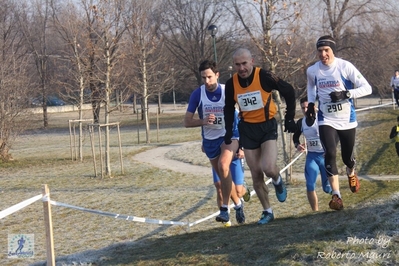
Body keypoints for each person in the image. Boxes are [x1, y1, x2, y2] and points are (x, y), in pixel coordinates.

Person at [224, 48, 297, 225]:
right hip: (247, 130)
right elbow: (227, 108)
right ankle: (268, 211)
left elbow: (289, 91)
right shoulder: (231, 84)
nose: (241, 68)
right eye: (237, 65)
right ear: (234, 65)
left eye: (244, 63)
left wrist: (289, 118)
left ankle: (278, 180)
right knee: (256, 173)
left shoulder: (264, 76)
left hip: (267, 126)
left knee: (268, 168)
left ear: (252, 61)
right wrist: (228, 131)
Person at [306, 35, 372, 211]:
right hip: (326, 118)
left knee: (346, 157)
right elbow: (311, 88)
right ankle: (337, 196)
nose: (323, 54)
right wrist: (311, 104)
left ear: (333, 50)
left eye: (326, 50)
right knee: (330, 152)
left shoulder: (345, 66)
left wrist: (346, 94)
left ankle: (351, 171)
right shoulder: (313, 71)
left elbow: (367, 88)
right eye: (320, 51)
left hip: (347, 119)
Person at [184, 59, 250, 225]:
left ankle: (224, 209)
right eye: (203, 78)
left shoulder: (228, 91)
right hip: (210, 140)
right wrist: (204, 121)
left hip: (229, 136)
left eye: (210, 77)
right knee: (223, 176)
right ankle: (238, 204)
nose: (207, 81)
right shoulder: (198, 94)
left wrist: (242, 143)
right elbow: (187, 121)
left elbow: (243, 113)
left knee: (223, 166)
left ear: (217, 75)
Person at [293, 97, 332, 211]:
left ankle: (337, 199)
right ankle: (315, 212)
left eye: (307, 107)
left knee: (327, 188)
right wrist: (297, 145)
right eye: (303, 108)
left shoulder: (321, 118)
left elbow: (333, 135)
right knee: (310, 185)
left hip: (324, 156)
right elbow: (296, 136)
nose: (305, 110)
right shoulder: (301, 122)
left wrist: (329, 151)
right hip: (312, 157)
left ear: (314, 107)